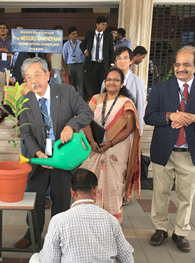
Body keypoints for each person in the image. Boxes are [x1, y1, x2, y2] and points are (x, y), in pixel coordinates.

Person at [144, 46, 195, 252]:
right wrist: (170, 116)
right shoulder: (160, 88)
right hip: (164, 151)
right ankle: (160, 228)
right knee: (160, 192)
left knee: (186, 195)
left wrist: (194, 118)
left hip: (191, 152)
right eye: (177, 64)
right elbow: (149, 116)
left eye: (186, 65)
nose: (181, 68)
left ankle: (181, 232)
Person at [13, 57, 93, 249]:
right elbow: (26, 133)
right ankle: (31, 233)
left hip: (63, 159)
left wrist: (70, 125)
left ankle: (57, 238)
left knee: (61, 200)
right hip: (38, 160)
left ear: (48, 75)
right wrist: (38, 153)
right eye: (28, 77)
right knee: (35, 199)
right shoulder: (24, 101)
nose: (33, 81)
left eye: (37, 75)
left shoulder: (66, 92)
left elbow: (86, 113)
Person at [29, 168, 142, 263]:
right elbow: (126, 256)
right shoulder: (111, 220)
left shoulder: (58, 221)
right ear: (95, 190)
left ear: (72, 192)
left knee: (35, 260)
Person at [84, 68, 140, 221]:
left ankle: (113, 219)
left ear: (122, 83)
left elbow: (129, 128)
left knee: (115, 185)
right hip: (95, 147)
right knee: (93, 182)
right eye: (108, 79)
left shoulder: (126, 102)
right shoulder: (96, 99)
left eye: (116, 80)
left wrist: (110, 143)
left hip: (117, 148)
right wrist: (91, 141)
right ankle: (95, 218)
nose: (111, 82)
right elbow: (85, 121)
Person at [101, 47, 146, 134]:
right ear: (115, 62)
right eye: (119, 58)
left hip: (128, 129)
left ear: (131, 61)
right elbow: (101, 105)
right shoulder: (106, 82)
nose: (122, 61)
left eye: (125, 58)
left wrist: (139, 131)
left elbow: (139, 108)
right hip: (109, 127)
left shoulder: (138, 82)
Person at [80, 16, 114, 95]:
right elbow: (82, 45)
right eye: (103, 24)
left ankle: (103, 102)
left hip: (103, 64)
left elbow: (111, 51)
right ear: (97, 24)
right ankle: (96, 102)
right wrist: (85, 51)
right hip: (93, 64)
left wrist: (111, 64)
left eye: (106, 25)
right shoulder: (90, 34)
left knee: (103, 85)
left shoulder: (108, 35)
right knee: (94, 86)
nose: (104, 26)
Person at [63, 26, 84, 98]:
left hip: (79, 65)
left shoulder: (81, 43)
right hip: (70, 66)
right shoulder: (66, 45)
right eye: (73, 34)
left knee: (80, 84)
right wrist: (65, 68)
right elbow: (64, 57)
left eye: (76, 33)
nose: (75, 35)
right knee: (70, 84)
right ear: (69, 35)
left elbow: (83, 55)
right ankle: (70, 99)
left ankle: (80, 99)